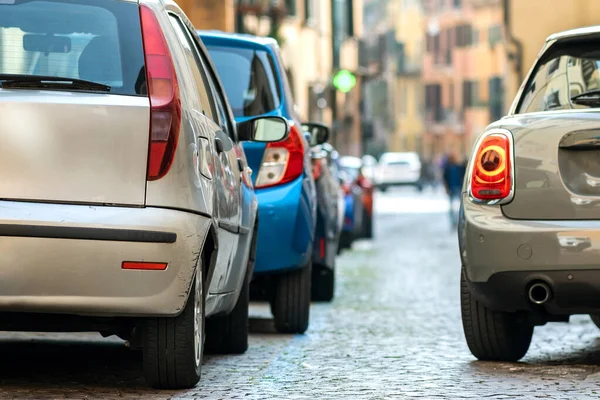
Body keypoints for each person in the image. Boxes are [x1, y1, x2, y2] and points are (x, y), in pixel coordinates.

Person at [442, 151, 466, 229]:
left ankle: (460, 221)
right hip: (451, 188)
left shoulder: (459, 167)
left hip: (458, 188)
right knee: (452, 207)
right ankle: (453, 222)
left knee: (461, 207)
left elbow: (463, 175)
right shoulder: (447, 168)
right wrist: (446, 188)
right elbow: (445, 179)